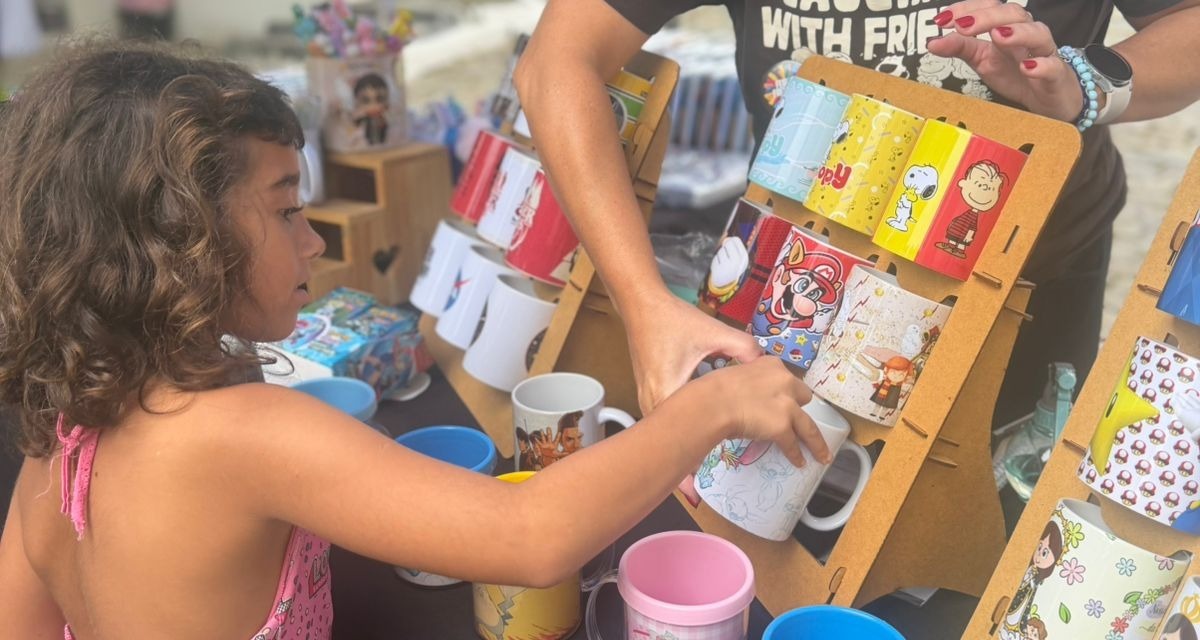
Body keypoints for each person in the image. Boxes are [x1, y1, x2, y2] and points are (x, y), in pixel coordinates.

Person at [0, 41, 827, 638]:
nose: (315, 242)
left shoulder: (59, 439)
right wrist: (713, 408)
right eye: (287, 210)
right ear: (175, 239)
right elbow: (529, 536)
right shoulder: (245, 437)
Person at [514, 0, 1200, 424]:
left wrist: (1086, 83)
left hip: (1029, 281)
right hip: (805, 276)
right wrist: (643, 304)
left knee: (995, 521)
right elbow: (556, 60)